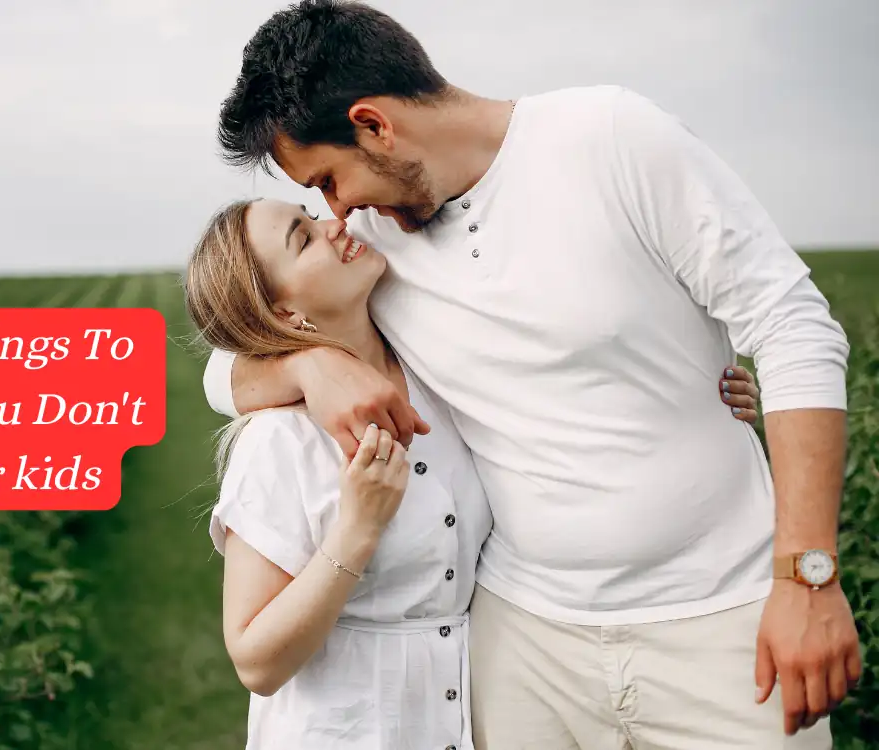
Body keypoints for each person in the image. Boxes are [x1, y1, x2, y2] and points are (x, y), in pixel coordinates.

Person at [200, 1, 861, 748]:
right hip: (522, 642)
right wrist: (313, 366)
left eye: (328, 179)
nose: (338, 212)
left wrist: (807, 577)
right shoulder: (375, 247)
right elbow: (230, 360)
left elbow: (794, 325)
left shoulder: (610, 139)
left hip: (723, 618)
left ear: (374, 126)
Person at [184, 196, 761, 749]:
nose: (336, 223)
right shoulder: (279, 441)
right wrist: (357, 530)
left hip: (462, 719)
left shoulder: (435, 373)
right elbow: (256, 662)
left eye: (312, 214)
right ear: (285, 313)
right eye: (304, 239)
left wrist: (695, 387)